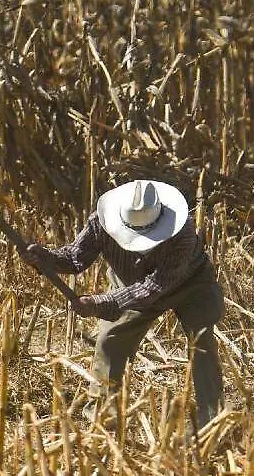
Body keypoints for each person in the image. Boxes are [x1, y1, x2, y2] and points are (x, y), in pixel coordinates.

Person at [20, 179, 224, 430]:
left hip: (189, 283)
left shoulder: (182, 233)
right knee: (109, 343)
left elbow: (154, 288)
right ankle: (102, 420)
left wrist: (99, 303)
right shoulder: (100, 223)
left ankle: (212, 420)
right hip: (129, 283)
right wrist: (44, 258)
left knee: (201, 341)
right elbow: (75, 258)